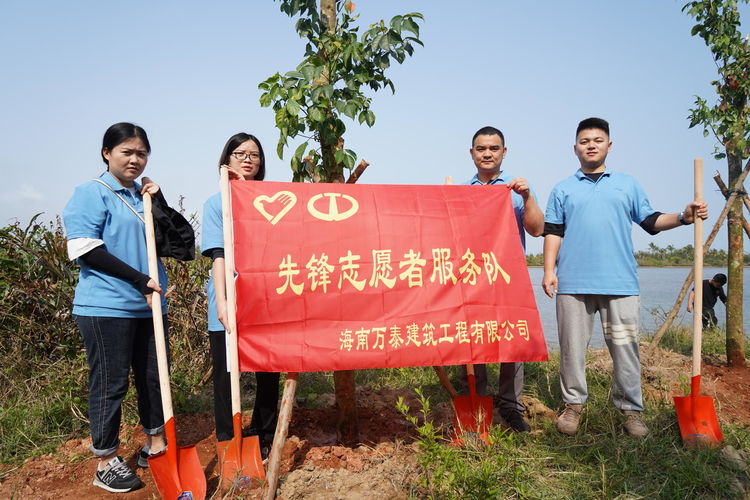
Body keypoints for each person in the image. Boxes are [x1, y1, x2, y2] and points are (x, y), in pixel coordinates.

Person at [542, 117, 708, 439]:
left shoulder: (627, 184)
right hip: (573, 284)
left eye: (598, 140)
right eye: (585, 140)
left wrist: (684, 217)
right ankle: (573, 405)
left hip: (620, 284)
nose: (591, 145)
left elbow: (650, 220)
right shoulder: (562, 188)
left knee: (625, 348)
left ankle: (631, 410)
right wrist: (549, 271)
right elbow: (553, 231)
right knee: (571, 350)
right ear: (575, 147)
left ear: (609, 145)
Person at [63, 122, 168, 493]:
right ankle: (106, 459)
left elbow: (180, 245)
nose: (135, 159)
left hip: (151, 306)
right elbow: (84, 249)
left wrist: (161, 202)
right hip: (106, 306)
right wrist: (138, 279)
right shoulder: (92, 193)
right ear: (107, 153)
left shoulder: (144, 196)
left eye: (142, 153)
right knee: (110, 383)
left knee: (154, 378)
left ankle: (155, 444)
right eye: (127, 152)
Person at [457, 126, 544, 432]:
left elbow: (536, 229)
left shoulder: (516, 190)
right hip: (472, 276)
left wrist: (528, 197)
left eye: (494, 148)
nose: (487, 153)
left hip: (508, 276)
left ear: (504, 152)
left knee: (512, 341)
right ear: (472, 153)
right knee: (473, 340)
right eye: (481, 148)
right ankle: (477, 398)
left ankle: (511, 405)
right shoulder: (462, 191)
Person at [201, 133, 280, 460]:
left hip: (266, 298)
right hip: (229, 295)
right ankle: (227, 440)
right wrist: (221, 300)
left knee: (269, 371)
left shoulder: (274, 198)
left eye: (255, 155)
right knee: (225, 373)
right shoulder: (217, 202)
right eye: (240, 153)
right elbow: (218, 254)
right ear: (227, 159)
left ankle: (265, 433)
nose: (248, 159)